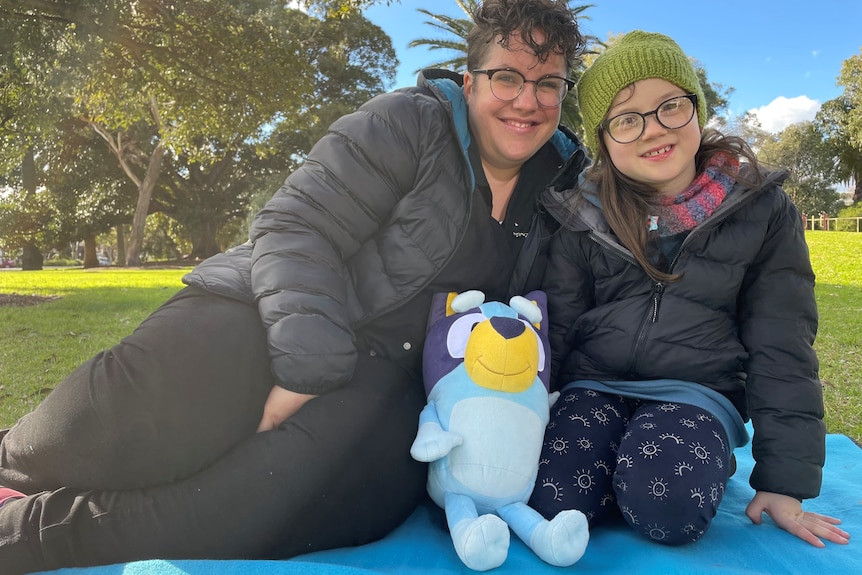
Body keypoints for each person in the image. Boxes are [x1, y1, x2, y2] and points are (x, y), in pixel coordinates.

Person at [0, 1, 588, 572]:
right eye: (506, 76)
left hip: (390, 384)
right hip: (265, 306)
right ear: (468, 80)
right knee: (105, 427)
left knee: (288, 500)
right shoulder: (409, 122)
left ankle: (36, 535)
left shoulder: (562, 190)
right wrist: (305, 371)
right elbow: (298, 225)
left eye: (549, 85)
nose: (527, 101)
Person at [529, 31, 852, 548]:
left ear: (696, 110)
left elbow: (782, 343)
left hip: (695, 395)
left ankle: (683, 463)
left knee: (667, 508)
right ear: (604, 139)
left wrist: (783, 483)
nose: (653, 130)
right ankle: (618, 464)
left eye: (670, 106)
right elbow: (559, 326)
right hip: (593, 386)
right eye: (627, 118)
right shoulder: (580, 215)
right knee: (549, 499)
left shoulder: (761, 210)